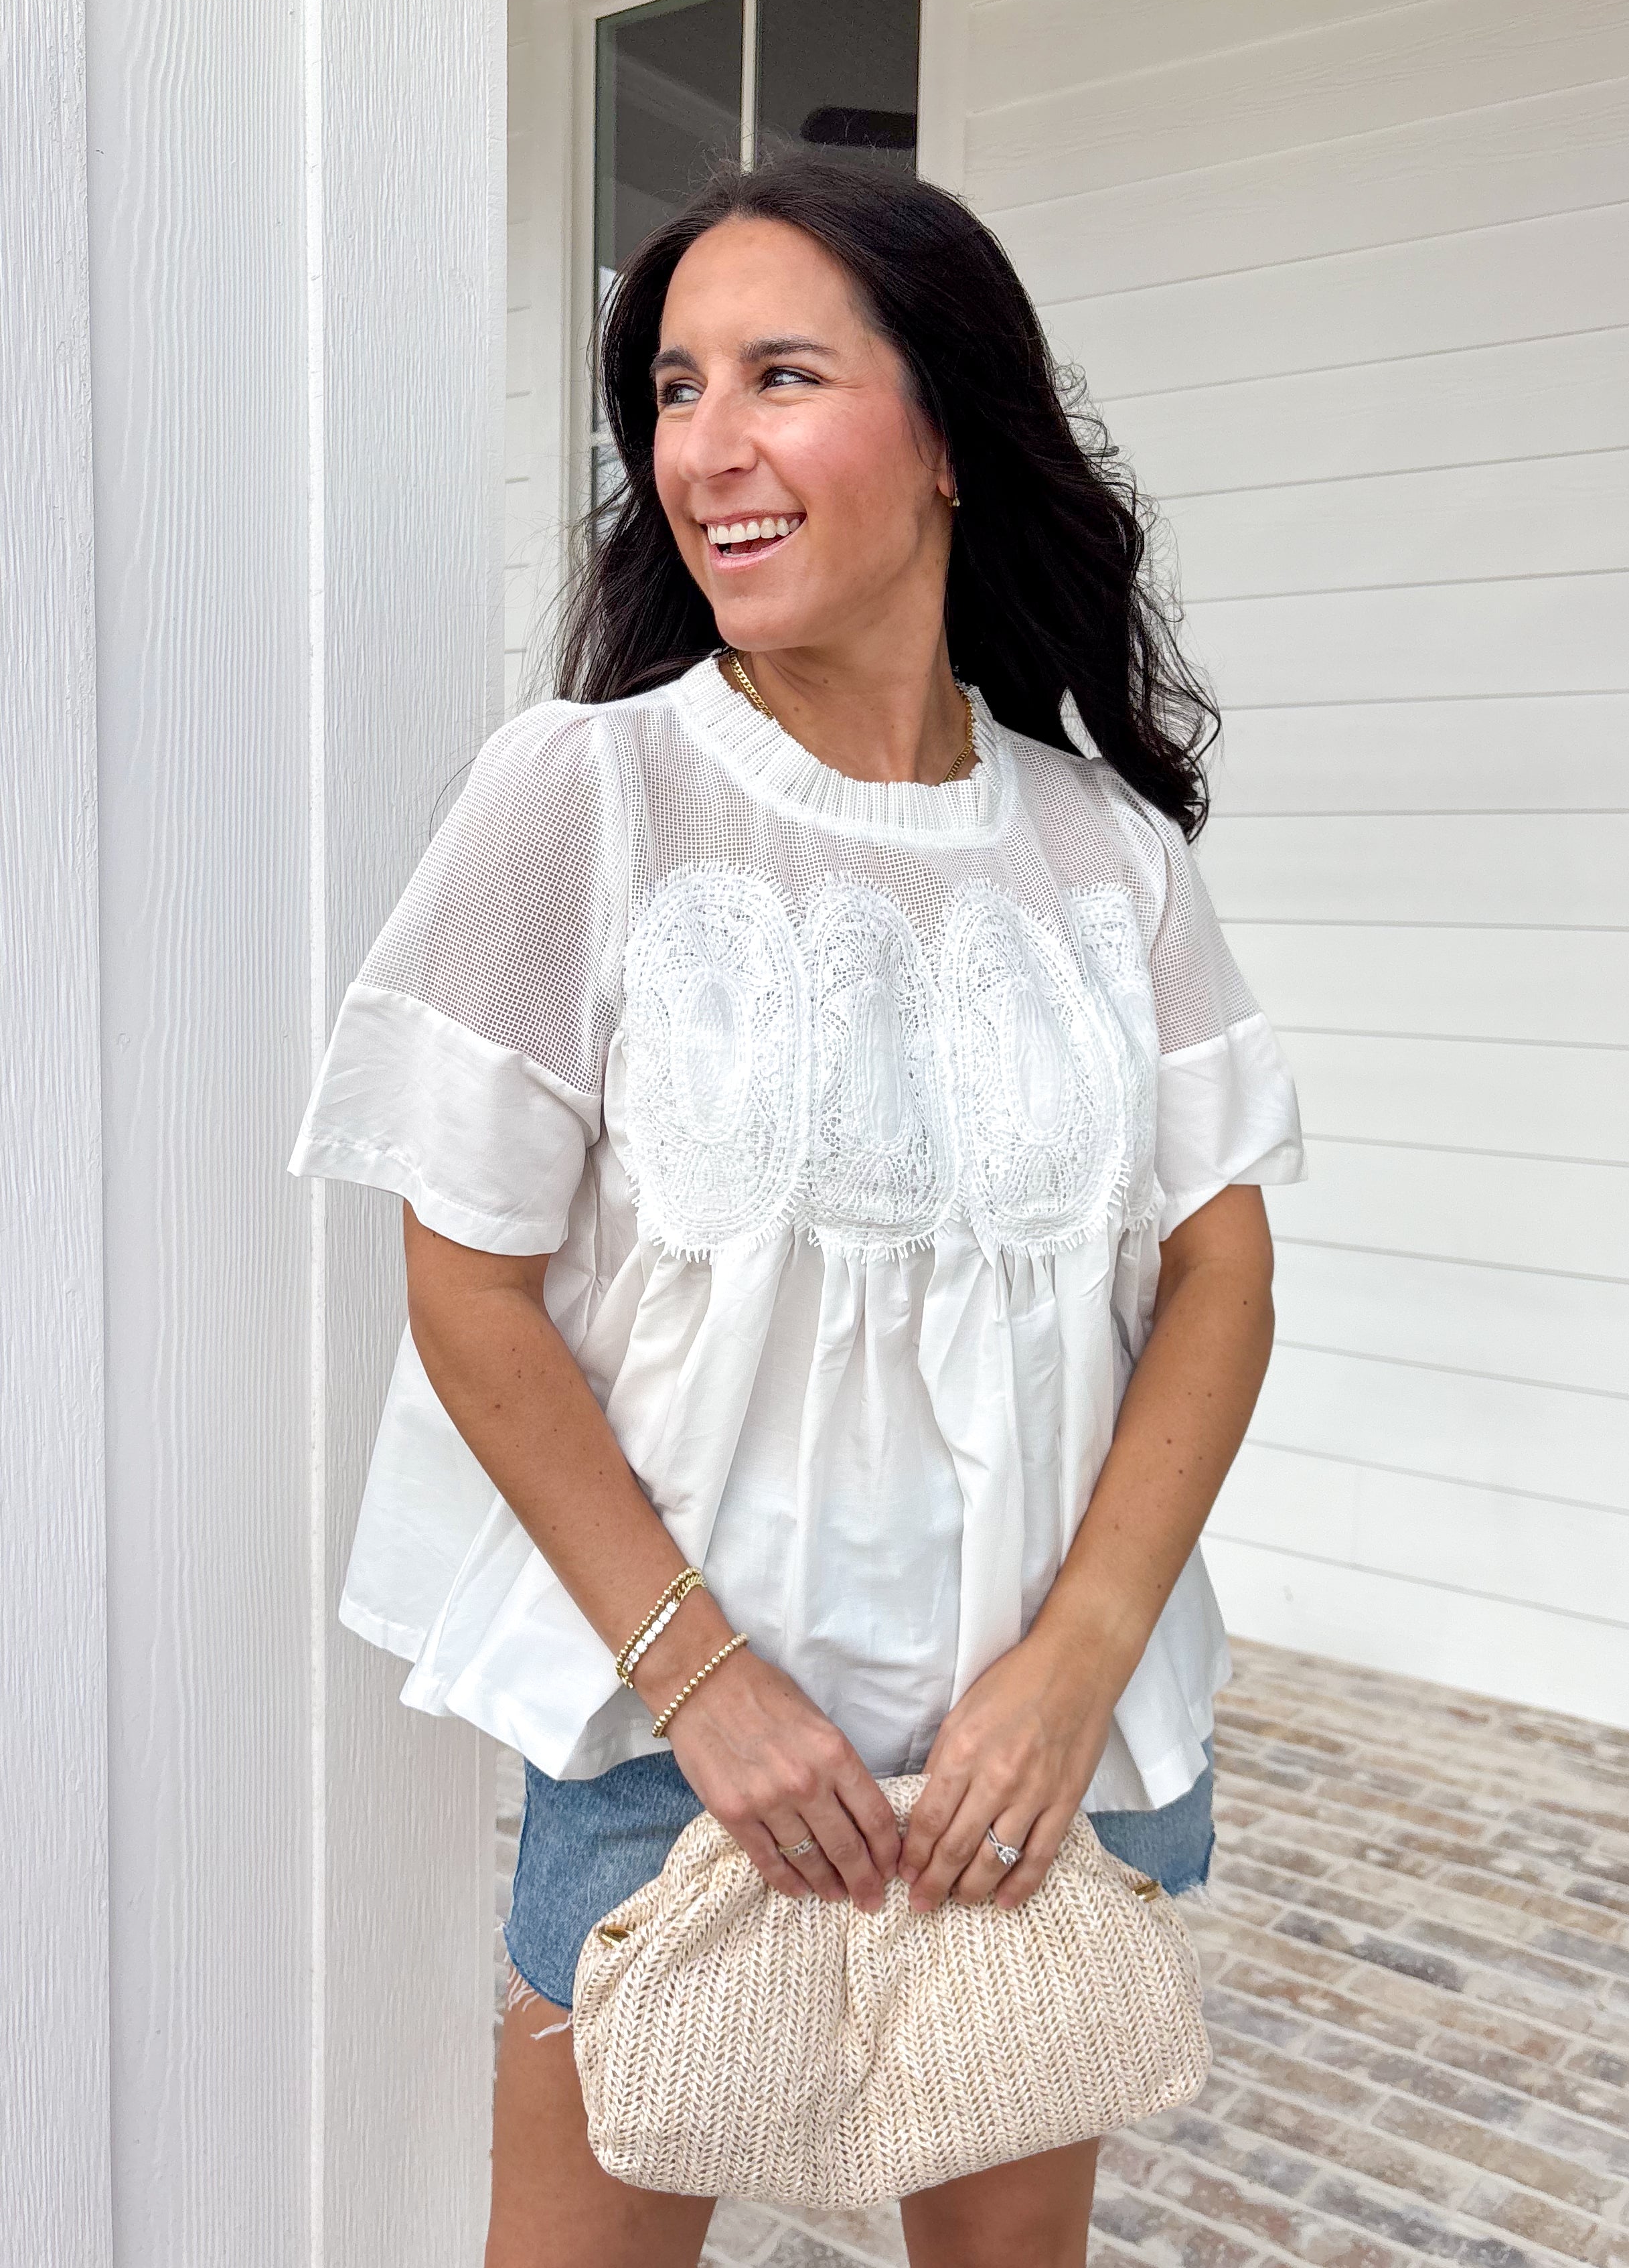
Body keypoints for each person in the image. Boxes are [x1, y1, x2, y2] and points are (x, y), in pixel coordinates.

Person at [289, 154, 1304, 2268]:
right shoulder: (581, 797)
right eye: (671, 389)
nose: (704, 448)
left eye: (777, 375)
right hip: (687, 1744)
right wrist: (707, 1684)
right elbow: (465, 1283)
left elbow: (1216, 1259)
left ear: (945, 434)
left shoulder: (1102, 857)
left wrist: (1078, 1653)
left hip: (1038, 1748)